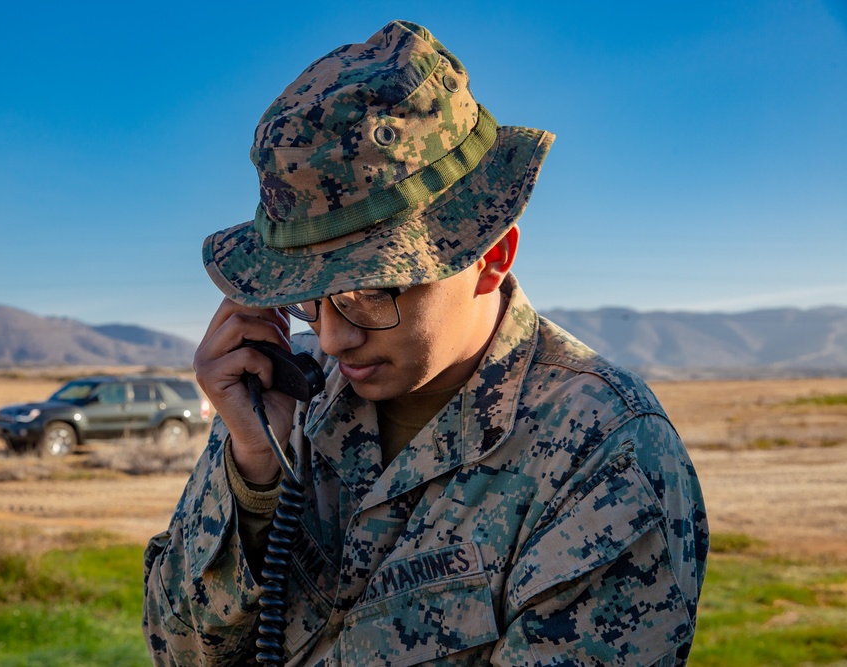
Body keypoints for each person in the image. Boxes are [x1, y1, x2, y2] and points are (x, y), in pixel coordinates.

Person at [143, 20, 709, 666]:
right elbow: (178, 651)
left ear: (491, 256)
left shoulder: (603, 448)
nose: (331, 335)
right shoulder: (282, 395)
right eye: (309, 295)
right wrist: (253, 475)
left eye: (370, 293)